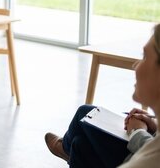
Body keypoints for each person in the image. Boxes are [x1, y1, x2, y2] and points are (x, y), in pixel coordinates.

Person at [45, 24, 160, 168]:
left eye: (145, 57)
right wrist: (154, 127)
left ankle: (64, 148)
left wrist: (137, 131)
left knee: (84, 114)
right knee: (80, 144)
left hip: (135, 151)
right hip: (142, 142)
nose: (135, 66)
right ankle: (67, 148)